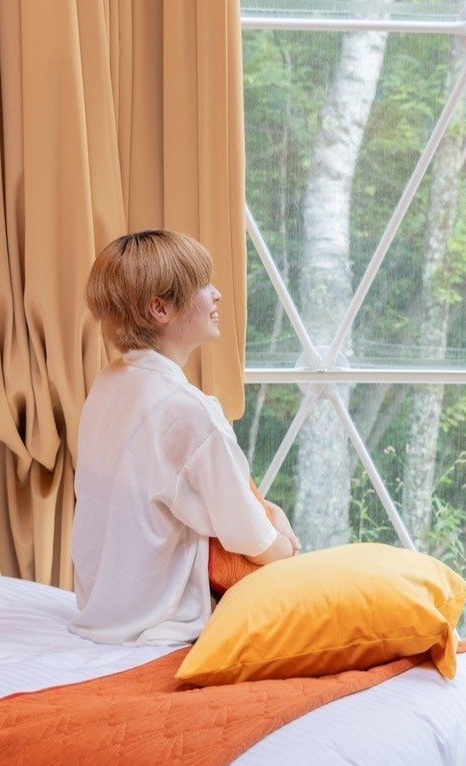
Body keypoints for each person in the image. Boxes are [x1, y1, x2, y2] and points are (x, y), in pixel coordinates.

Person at [69, 229, 299, 645]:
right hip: (159, 621)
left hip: (100, 608)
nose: (217, 296)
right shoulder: (187, 409)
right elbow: (253, 537)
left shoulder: (108, 385)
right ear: (160, 308)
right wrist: (286, 540)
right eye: (203, 285)